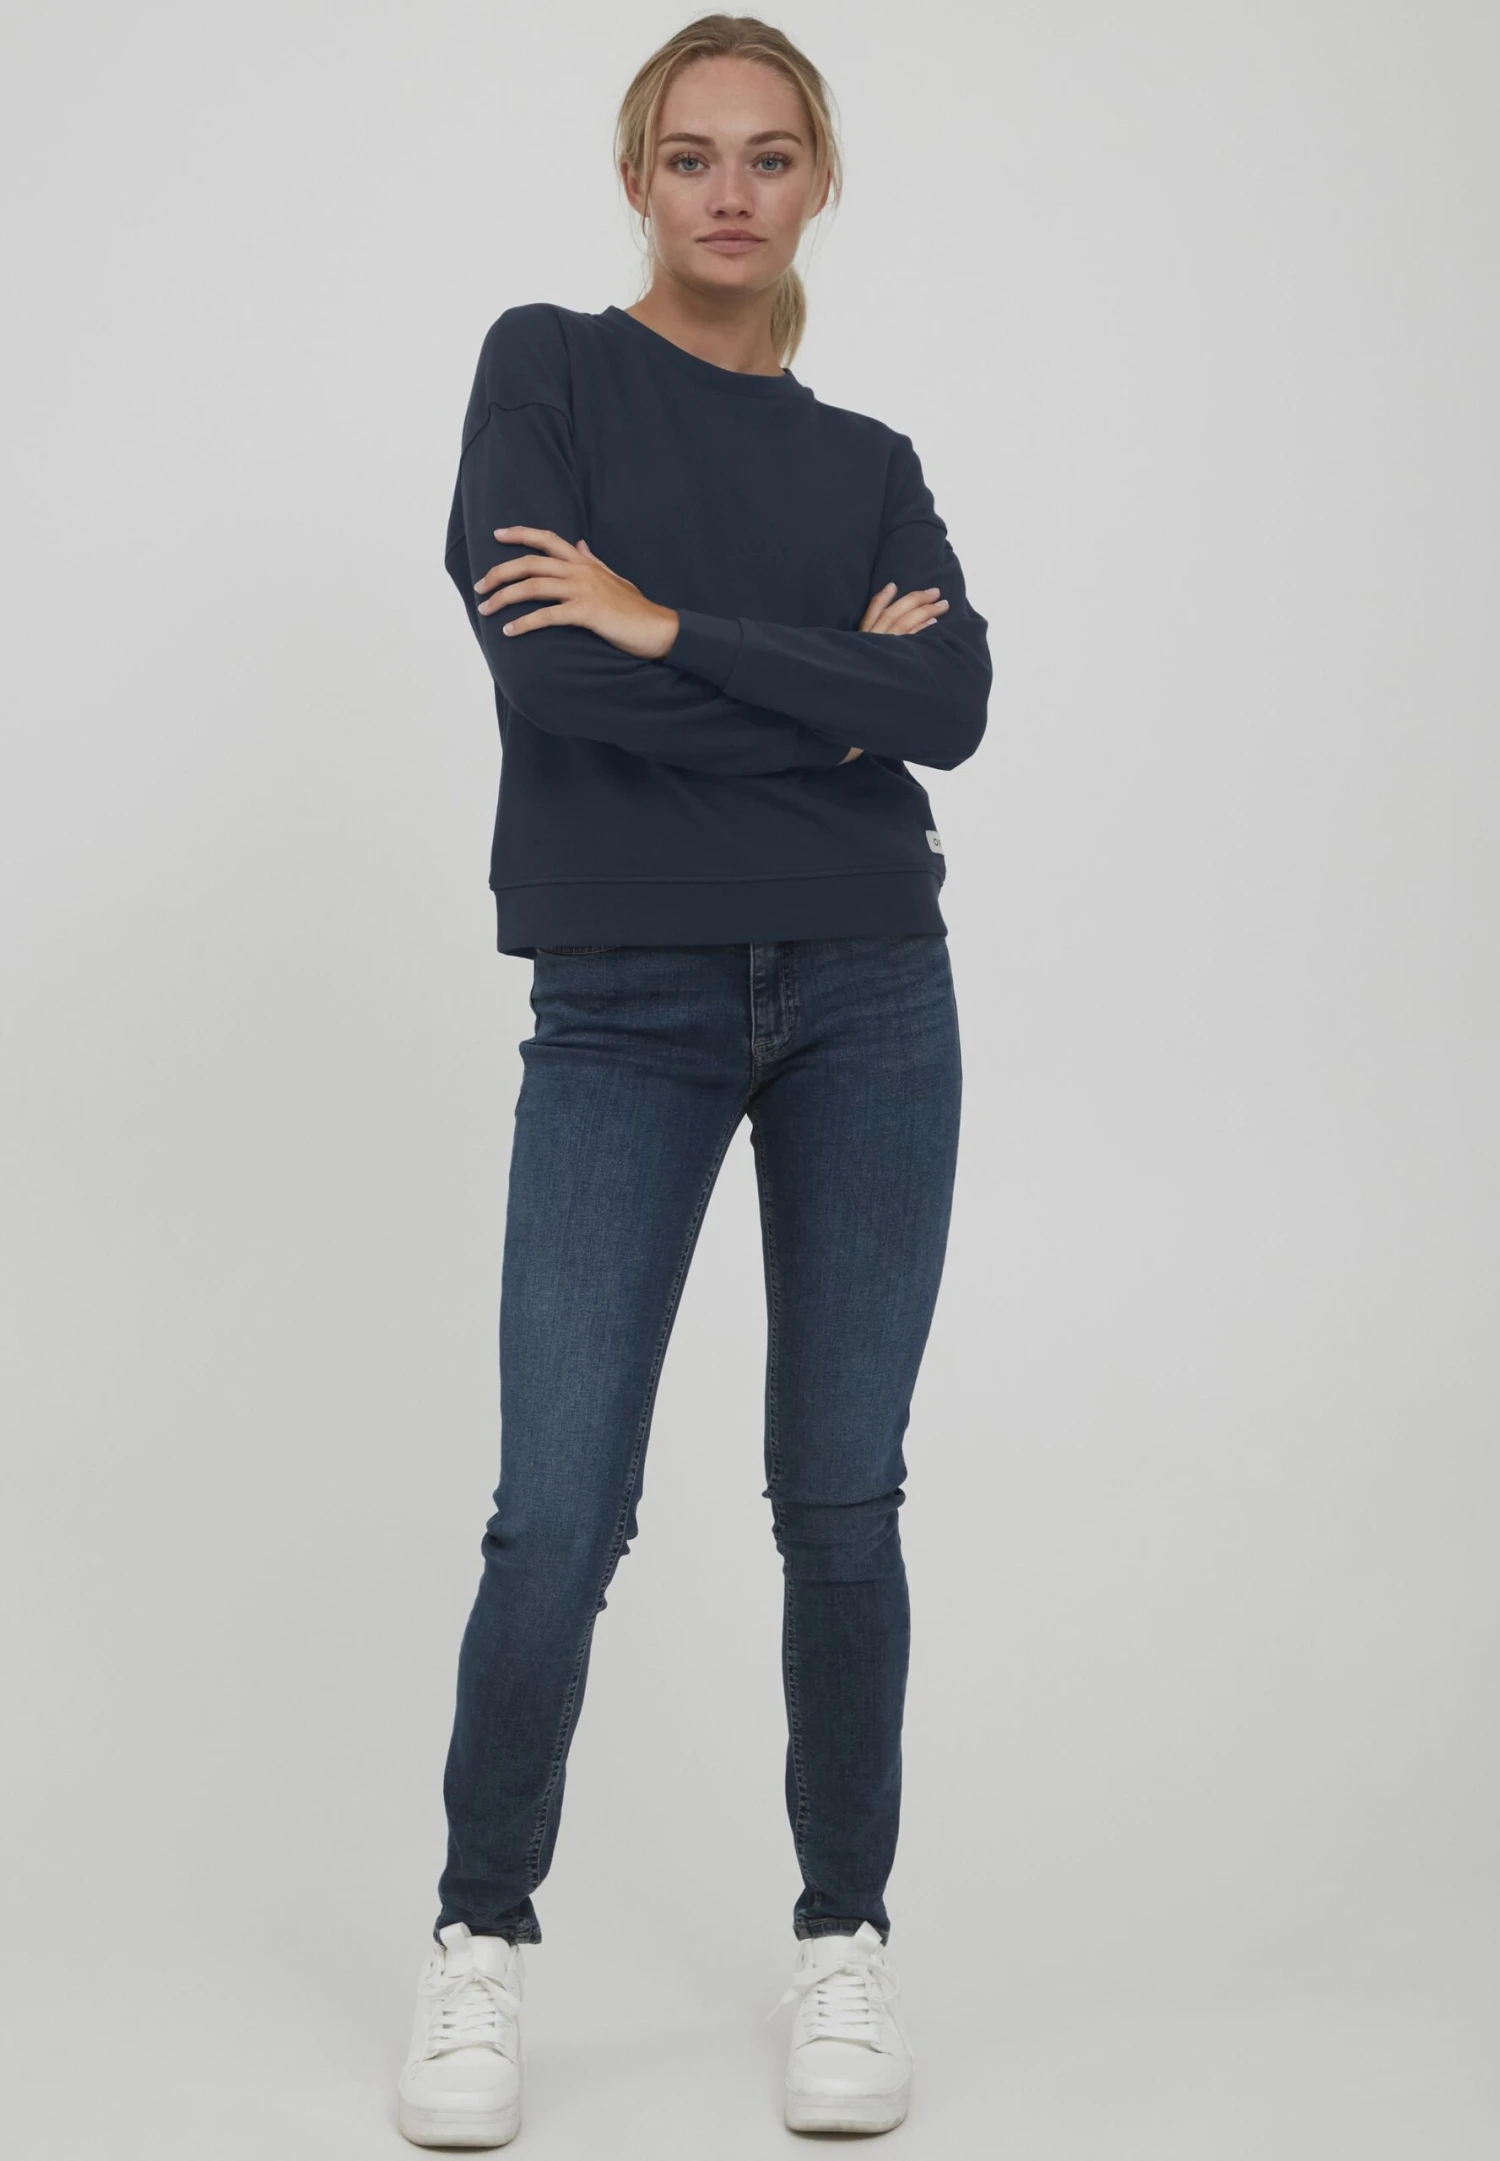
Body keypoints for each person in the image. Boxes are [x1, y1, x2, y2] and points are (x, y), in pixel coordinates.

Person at [396, 12, 991, 2147]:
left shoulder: (870, 459)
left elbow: (954, 705)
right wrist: (826, 699)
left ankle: (846, 1939)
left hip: (870, 996)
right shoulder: (544, 369)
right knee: (560, 1507)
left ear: (817, 182)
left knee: (840, 1497)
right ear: (636, 179)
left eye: (768, 156)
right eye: (688, 155)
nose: (728, 192)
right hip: (623, 1002)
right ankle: (480, 1939)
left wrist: (674, 631)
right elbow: (545, 671)